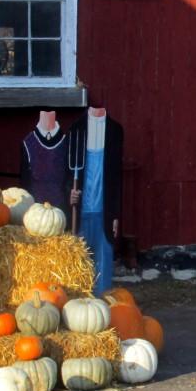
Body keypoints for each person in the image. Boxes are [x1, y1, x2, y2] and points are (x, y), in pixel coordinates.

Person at [67, 102, 123, 295]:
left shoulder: (116, 131)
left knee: (103, 260)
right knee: (81, 260)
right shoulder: (76, 130)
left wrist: (115, 213)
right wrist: (70, 193)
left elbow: (116, 178)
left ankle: (102, 302)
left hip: (103, 210)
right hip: (81, 210)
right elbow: (67, 174)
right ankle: (79, 301)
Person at [20, 110, 72, 213]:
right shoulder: (28, 142)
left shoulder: (68, 143)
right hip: (35, 215)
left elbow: (70, 182)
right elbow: (24, 184)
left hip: (61, 214)